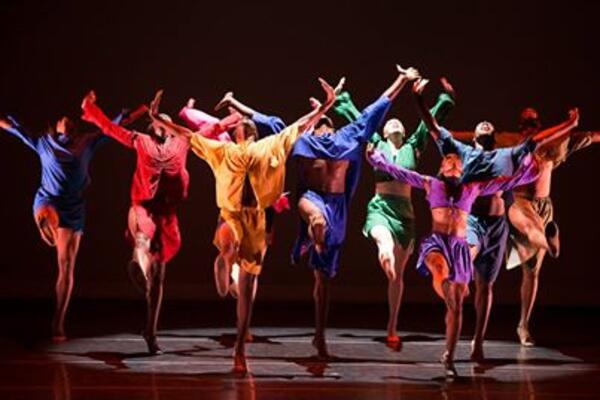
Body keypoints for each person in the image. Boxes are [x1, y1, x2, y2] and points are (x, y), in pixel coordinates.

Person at [152, 78, 336, 372]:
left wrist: (325, 106)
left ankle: (239, 346)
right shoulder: (224, 150)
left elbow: (299, 126)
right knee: (231, 242)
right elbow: (188, 135)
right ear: (237, 133)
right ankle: (225, 257)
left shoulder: (267, 146)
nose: (246, 125)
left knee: (248, 286)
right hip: (230, 214)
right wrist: (160, 120)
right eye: (243, 124)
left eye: (249, 125)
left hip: (256, 218)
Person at [366, 78, 541, 376]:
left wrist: (529, 172)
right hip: (438, 243)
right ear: (442, 167)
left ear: (462, 169)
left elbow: (507, 182)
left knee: (458, 306)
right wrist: (379, 159)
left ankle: (449, 355)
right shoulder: (431, 184)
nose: (452, 162)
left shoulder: (471, 189)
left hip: (458, 246)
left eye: (456, 162)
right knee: (439, 269)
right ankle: (445, 287)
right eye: (447, 160)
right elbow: (401, 171)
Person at [80, 90, 240, 355]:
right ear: (153, 127)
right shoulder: (141, 140)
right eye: (159, 122)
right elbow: (110, 129)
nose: (164, 126)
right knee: (143, 235)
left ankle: (150, 331)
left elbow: (215, 128)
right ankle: (138, 262)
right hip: (143, 207)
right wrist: (90, 109)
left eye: (168, 123)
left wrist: (236, 116)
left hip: (167, 215)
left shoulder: (183, 141)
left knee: (158, 280)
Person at [290, 65, 420, 358]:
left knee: (323, 281)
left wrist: (401, 79)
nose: (323, 126)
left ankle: (320, 335)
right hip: (312, 199)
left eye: (327, 122)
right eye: (318, 123)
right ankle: (315, 231)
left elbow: (377, 107)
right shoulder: (304, 139)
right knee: (315, 216)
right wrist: (323, 106)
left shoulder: (346, 138)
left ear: (333, 128)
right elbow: (276, 134)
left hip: (336, 206)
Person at [0, 106, 145, 342]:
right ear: (56, 126)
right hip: (48, 200)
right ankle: (46, 222)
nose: (66, 122)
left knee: (66, 266)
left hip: (73, 209)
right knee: (48, 213)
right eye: (62, 120)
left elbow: (113, 126)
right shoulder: (44, 143)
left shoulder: (87, 142)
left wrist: (142, 110)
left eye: (69, 121)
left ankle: (58, 321)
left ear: (74, 128)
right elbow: (15, 129)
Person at [332, 78, 455, 344]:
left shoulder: (414, 146)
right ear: (385, 132)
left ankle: (392, 326)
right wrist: (342, 98)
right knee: (383, 241)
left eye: (399, 122)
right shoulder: (377, 143)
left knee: (398, 277)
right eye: (390, 123)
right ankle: (384, 254)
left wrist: (445, 99)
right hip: (381, 206)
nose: (395, 123)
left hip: (405, 214)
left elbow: (429, 122)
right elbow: (361, 120)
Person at [505, 107, 598, 346]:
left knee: (532, 271)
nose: (529, 126)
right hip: (520, 201)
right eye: (525, 122)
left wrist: (572, 126)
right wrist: (440, 132)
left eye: (533, 121)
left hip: (543, 206)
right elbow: (470, 136)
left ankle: (523, 325)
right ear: (520, 126)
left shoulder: (555, 145)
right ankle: (549, 243)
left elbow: (589, 136)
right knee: (531, 227)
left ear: (539, 124)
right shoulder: (511, 142)